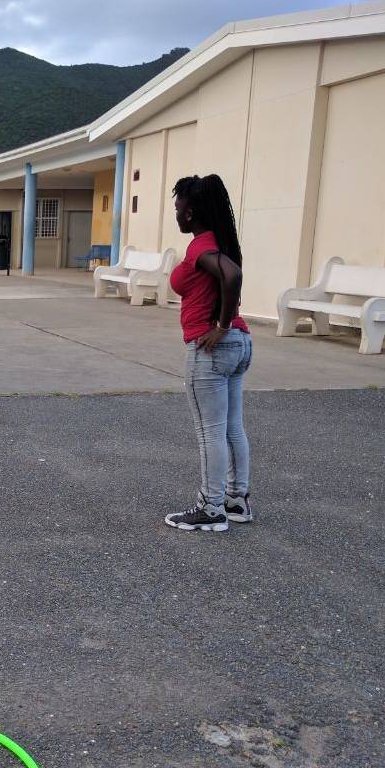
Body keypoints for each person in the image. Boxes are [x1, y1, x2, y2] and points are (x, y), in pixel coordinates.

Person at [164, 174, 252, 533]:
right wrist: (229, 326)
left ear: (191, 211)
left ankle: (211, 508)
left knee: (210, 431)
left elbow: (232, 277)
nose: (176, 214)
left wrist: (221, 325)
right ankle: (236, 500)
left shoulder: (202, 246)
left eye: (178, 207)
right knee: (232, 427)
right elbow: (229, 275)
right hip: (240, 345)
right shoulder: (220, 242)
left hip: (211, 348)